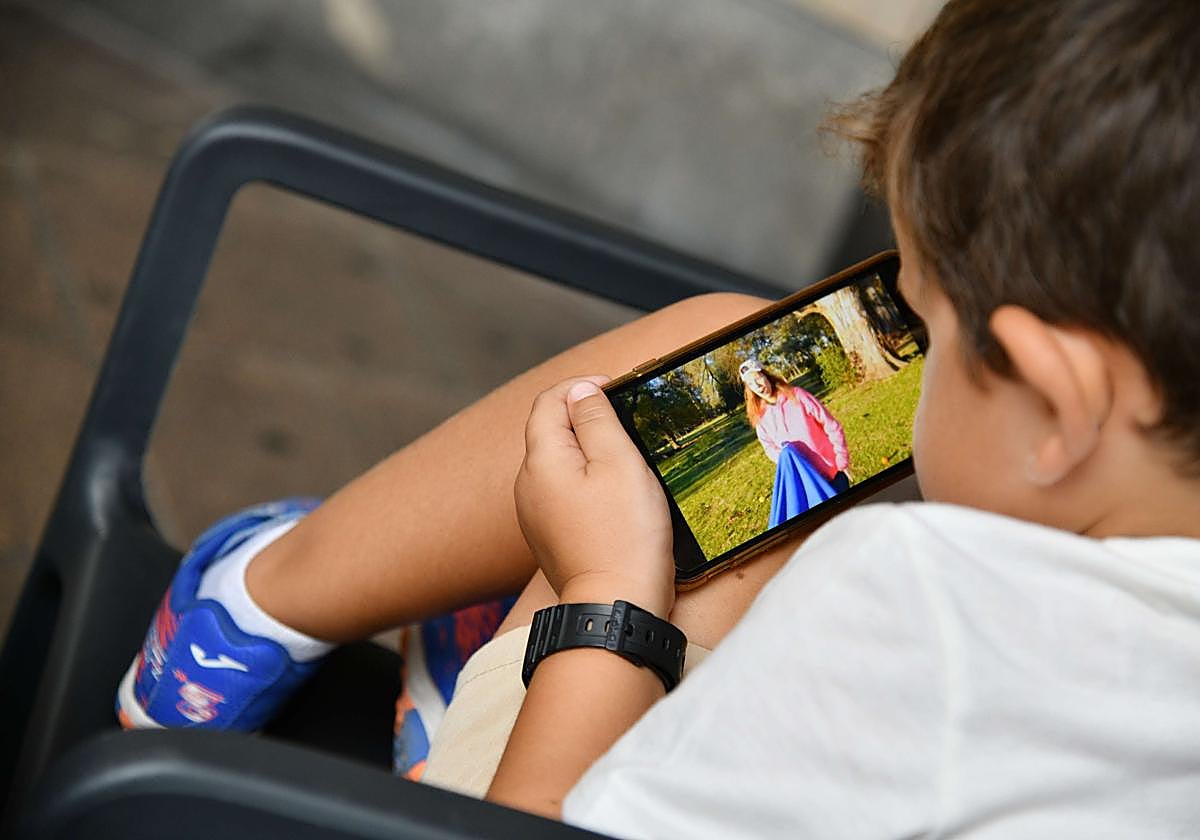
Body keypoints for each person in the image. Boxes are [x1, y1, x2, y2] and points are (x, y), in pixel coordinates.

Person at [119, 0, 1200, 836]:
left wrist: (604, 600)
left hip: (520, 809)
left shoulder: (913, 607)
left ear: (1058, 407)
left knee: (686, 421)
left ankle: (266, 594)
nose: (904, 344)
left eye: (921, 315)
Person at [738, 358, 850, 526]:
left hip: (832, 473)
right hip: (805, 483)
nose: (758, 386)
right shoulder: (760, 418)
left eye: (758, 378)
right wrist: (789, 457)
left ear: (766, 375)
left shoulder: (797, 396)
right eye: (752, 384)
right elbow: (769, 448)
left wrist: (841, 459)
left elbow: (831, 425)